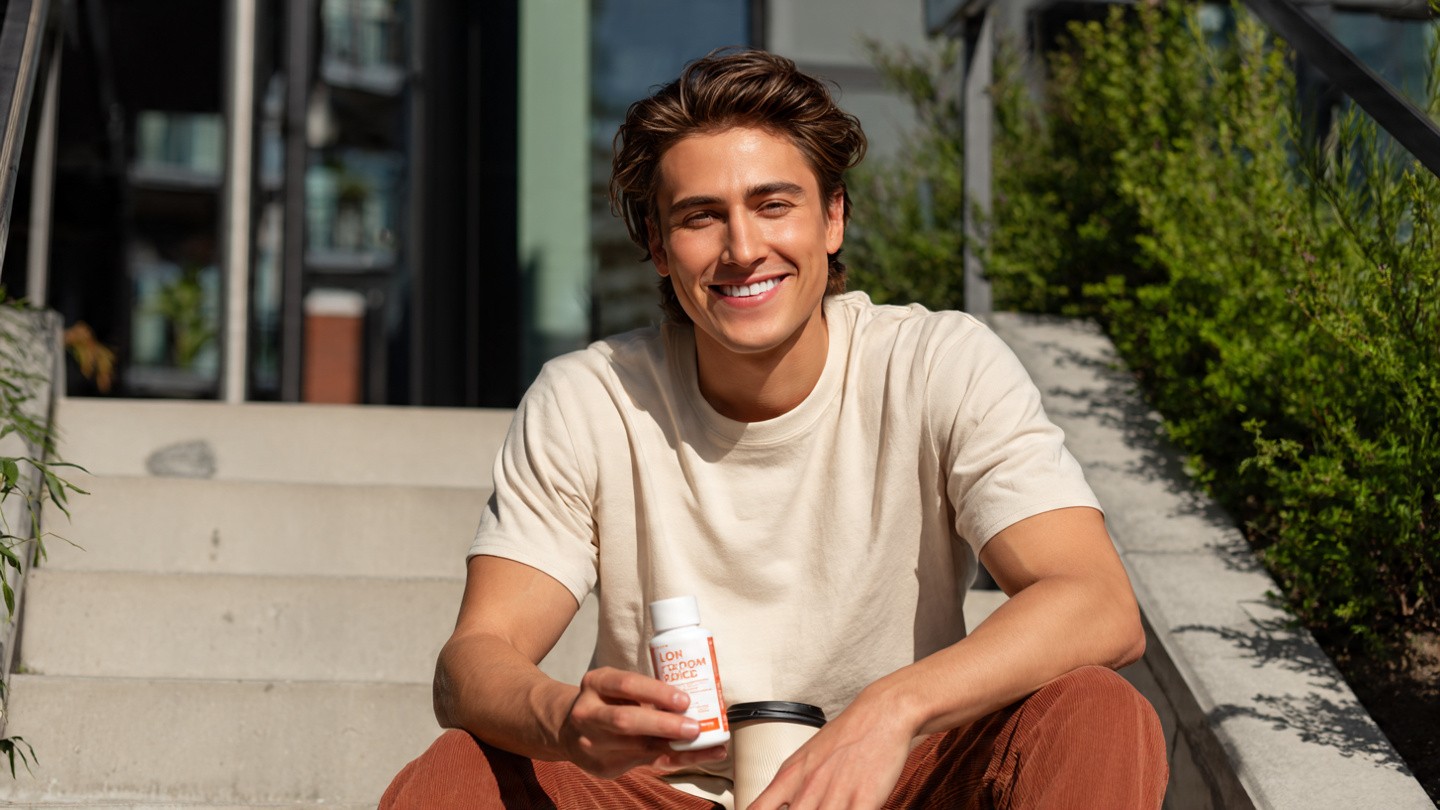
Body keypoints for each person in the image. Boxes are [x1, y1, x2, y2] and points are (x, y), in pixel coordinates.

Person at [382, 48, 1167, 809]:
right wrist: (563, 722)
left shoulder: (937, 363)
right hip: (665, 795)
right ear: (658, 246)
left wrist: (892, 710)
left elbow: (1097, 602)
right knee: (459, 774)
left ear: (833, 218)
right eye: (700, 217)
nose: (743, 248)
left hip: (894, 783)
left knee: (1097, 712)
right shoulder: (590, 400)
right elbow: (472, 663)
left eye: (773, 203)